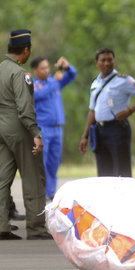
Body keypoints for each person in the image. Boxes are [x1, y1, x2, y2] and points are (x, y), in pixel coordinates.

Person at [0, 29, 53, 240]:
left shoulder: (1, 69)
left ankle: (2, 226)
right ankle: (36, 228)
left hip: (2, 129)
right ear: (25, 50)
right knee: (34, 177)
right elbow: (24, 108)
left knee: (2, 178)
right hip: (19, 128)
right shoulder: (21, 75)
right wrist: (35, 133)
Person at [79, 48, 135, 177]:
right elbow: (92, 110)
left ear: (114, 61)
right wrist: (85, 136)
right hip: (99, 130)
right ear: (97, 63)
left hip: (118, 129)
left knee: (121, 172)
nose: (107, 63)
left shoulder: (124, 80)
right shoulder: (95, 83)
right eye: (103, 60)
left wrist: (130, 111)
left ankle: (123, 197)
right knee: (103, 173)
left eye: (110, 60)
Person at [31, 56, 77, 200]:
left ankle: (50, 193)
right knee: (42, 162)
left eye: (47, 67)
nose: (47, 70)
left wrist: (67, 66)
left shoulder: (53, 81)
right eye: (43, 68)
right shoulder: (33, 84)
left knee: (54, 162)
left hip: (58, 128)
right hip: (43, 128)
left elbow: (72, 75)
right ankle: (40, 192)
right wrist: (55, 81)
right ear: (35, 70)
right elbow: (38, 95)